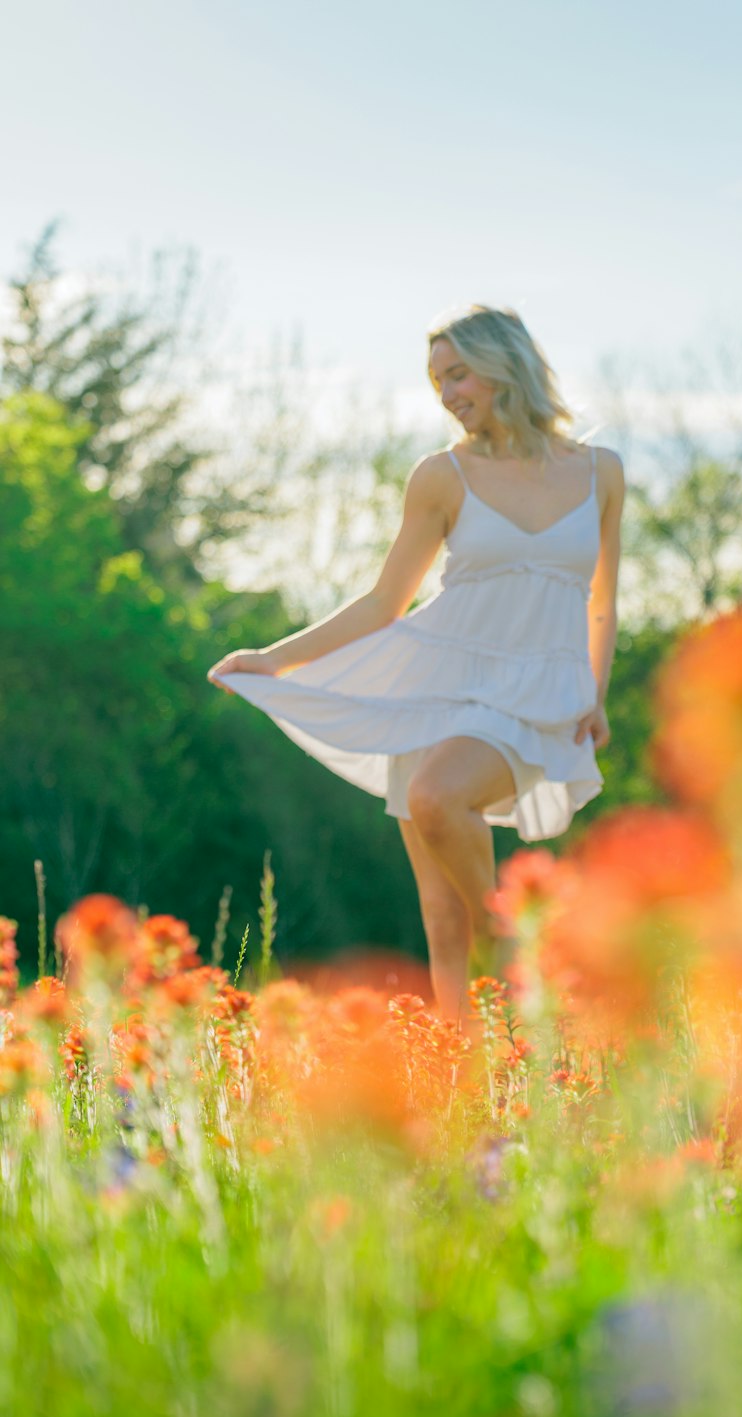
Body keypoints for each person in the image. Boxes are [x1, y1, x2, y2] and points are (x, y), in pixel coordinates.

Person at [207, 304, 624, 1020]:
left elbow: (603, 603)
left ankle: (513, 940)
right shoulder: (441, 476)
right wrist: (272, 661)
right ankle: (471, 1073)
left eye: (459, 373)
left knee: (438, 798)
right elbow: (383, 604)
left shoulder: (600, 473)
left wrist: (598, 692)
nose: (448, 393)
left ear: (506, 365)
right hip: (433, 684)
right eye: (438, 381)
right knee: (438, 914)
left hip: (536, 693)